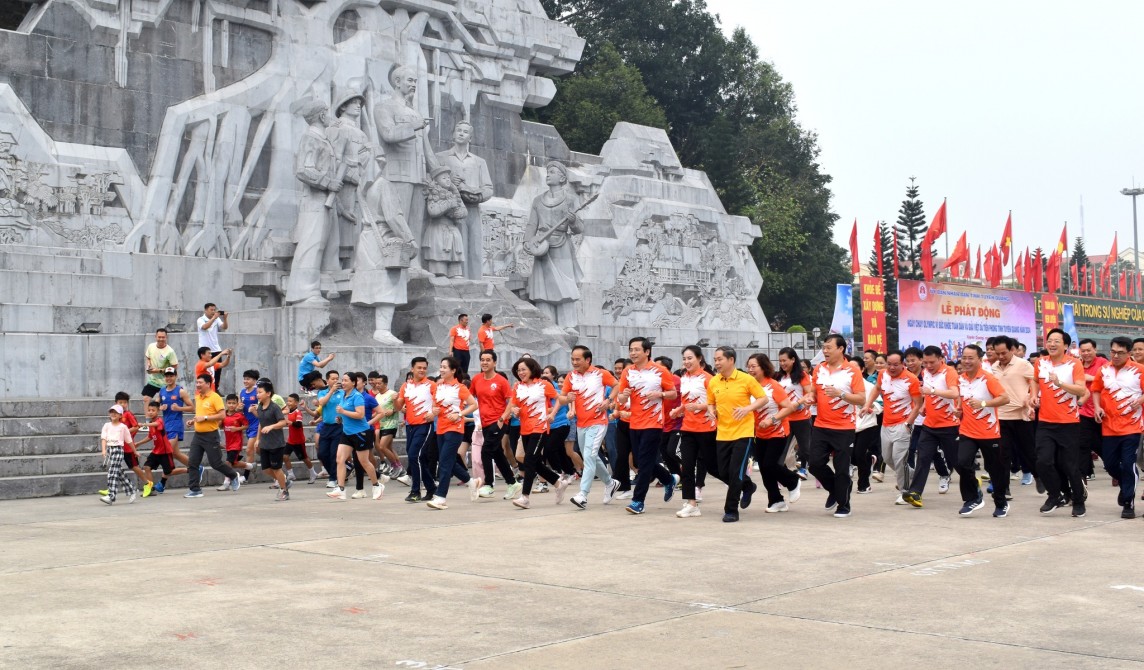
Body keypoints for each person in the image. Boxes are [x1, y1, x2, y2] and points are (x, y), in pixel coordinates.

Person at [614, 337, 679, 515]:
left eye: (636, 350)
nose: (633, 353)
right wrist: (623, 395)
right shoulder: (627, 372)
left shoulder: (660, 371)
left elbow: (673, 394)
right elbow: (620, 398)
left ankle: (638, 501)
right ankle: (669, 479)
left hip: (654, 422)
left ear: (647, 351)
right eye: (631, 350)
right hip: (635, 422)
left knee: (644, 464)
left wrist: (660, 394)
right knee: (641, 461)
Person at [705, 346, 769, 522]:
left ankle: (731, 510)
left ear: (731, 360)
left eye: (720, 359)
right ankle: (748, 486)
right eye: (715, 359)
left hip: (743, 432)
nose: (716, 363)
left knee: (735, 472)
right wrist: (711, 411)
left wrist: (747, 408)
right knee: (723, 471)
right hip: (723, 433)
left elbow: (764, 398)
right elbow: (710, 402)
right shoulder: (714, 382)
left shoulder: (746, 379)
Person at [806, 335, 867, 518]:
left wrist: (841, 394)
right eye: (823, 347)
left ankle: (843, 504)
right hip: (821, 425)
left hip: (844, 427)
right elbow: (813, 391)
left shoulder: (852, 371)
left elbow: (861, 398)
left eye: (828, 347)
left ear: (841, 349)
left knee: (841, 468)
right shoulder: (819, 369)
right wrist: (810, 397)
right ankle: (836, 489)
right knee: (815, 464)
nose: (825, 351)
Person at [1033, 329, 1089, 517]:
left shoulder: (1074, 364)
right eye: (1049, 340)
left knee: (1069, 465)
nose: (1052, 344)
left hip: (1068, 422)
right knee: (1043, 462)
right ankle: (1055, 495)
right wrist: (1033, 396)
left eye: (1057, 341)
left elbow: (1081, 390)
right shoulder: (1041, 363)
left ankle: (1078, 501)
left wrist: (1060, 384)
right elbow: (1034, 381)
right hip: (1045, 422)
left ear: (1065, 345)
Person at [523, 161, 583, 330]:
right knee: (542, 289)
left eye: (553, 172)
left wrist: (573, 221)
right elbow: (531, 225)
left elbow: (579, 228)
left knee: (566, 286)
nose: (548, 174)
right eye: (548, 171)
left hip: (562, 246)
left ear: (562, 177)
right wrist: (528, 242)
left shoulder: (571, 200)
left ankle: (568, 325)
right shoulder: (537, 200)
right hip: (542, 247)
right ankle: (546, 324)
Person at [560, 346, 621, 509]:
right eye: (572, 359)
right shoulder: (571, 376)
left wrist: (608, 400)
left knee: (589, 455)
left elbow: (617, 385)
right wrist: (567, 399)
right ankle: (610, 483)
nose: (574, 362)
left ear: (588, 360)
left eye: (577, 359)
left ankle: (583, 495)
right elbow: (561, 397)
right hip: (581, 424)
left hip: (598, 422)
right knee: (592, 456)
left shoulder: (600, 374)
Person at [503, 357, 567, 509]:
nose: (521, 372)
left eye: (524, 369)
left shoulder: (543, 384)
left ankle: (525, 497)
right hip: (525, 428)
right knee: (534, 462)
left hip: (540, 427)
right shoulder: (518, 386)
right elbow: (514, 406)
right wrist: (514, 411)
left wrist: (552, 414)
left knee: (530, 460)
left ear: (532, 369)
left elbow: (559, 399)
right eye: (518, 370)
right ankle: (558, 482)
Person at [901, 345, 961, 508]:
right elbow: (927, 394)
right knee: (923, 458)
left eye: (931, 362)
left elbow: (955, 393)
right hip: (929, 425)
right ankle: (915, 493)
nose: (927, 366)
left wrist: (932, 391)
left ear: (940, 359)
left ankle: (971, 482)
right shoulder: (926, 372)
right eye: (925, 362)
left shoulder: (949, 372)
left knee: (956, 461)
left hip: (949, 425)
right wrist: (924, 407)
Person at [1091, 336, 1144, 518]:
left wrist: (1140, 400)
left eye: (1120, 353)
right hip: (1108, 426)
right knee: (1111, 464)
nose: (1115, 356)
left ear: (1129, 354)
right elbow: (1096, 390)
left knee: (1128, 464)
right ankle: (1126, 483)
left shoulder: (1139, 370)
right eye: (1113, 352)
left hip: (1132, 426)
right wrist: (1097, 407)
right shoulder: (1104, 369)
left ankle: (1128, 502)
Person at [955, 345, 1011, 517]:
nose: (966, 361)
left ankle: (1001, 503)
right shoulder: (960, 379)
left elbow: (1005, 398)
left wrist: (983, 404)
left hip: (989, 432)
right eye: (964, 357)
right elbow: (963, 402)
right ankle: (972, 498)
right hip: (967, 431)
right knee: (962, 464)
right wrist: (959, 411)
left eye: (971, 358)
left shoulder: (988, 379)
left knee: (995, 470)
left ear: (980, 360)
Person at [862, 351, 922, 504]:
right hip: (886, 424)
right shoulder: (883, 374)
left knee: (899, 459)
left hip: (903, 424)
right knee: (888, 458)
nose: (892, 367)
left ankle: (905, 492)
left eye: (896, 364)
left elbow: (918, 405)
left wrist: (909, 423)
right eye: (889, 364)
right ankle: (914, 476)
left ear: (903, 364)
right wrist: (867, 405)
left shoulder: (911, 380)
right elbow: (877, 388)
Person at [437, 120, 494, 280]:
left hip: (473, 209)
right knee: (455, 246)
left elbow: (489, 188)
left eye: (465, 131)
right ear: (453, 134)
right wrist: (448, 183)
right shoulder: (441, 158)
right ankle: (453, 278)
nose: (461, 133)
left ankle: (475, 282)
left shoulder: (479, 162)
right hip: (450, 211)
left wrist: (478, 196)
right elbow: (432, 182)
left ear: (470, 137)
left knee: (474, 248)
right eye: (458, 130)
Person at [747, 353, 802, 514]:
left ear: (763, 367)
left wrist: (772, 419)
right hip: (760, 433)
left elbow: (788, 407)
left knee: (770, 465)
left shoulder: (773, 386)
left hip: (778, 431)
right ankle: (776, 500)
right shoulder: (749, 387)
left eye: (753, 366)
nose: (750, 370)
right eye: (748, 366)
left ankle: (793, 481)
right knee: (764, 468)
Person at [425, 357, 479, 509]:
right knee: (447, 461)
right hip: (440, 428)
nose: (441, 370)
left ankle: (441, 497)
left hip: (455, 429)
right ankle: (471, 482)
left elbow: (474, 405)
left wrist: (460, 414)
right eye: (440, 367)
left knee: (444, 462)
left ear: (453, 370)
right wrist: (433, 412)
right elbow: (436, 407)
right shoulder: (438, 386)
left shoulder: (460, 388)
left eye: (444, 367)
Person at [672, 345, 716, 518]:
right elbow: (686, 401)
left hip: (706, 427)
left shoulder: (709, 379)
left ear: (699, 359)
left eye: (690, 358)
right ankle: (691, 503)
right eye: (684, 359)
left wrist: (699, 406)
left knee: (714, 466)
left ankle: (743, 485)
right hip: (688, 428)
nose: (686, 362)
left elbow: (717, 402)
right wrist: (679, 410)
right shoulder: (684, 378)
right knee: (687, 466)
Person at [470, 350, 521, 500]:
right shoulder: (477, 379)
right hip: (485, 422)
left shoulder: (501, 381)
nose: (484, 362)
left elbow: (512, 399)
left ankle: (489, 485)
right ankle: (512, 483)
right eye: (482, 360)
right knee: (497, 453)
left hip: (498, 422)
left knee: (486, 451)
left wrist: (503, 417)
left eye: (488, 360)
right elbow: (469, 396)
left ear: (494, 363)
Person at [327, 373, 385, 501]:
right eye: (342, 380)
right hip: (347, 432)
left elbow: (360, 415)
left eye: (346, 380)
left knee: (364, 462)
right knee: (339, 459)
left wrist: (343, 412)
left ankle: (377, 485)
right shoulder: (343, 395)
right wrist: (340, 418)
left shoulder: (357, 396)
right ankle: (341, 489)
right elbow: (345, 413)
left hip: (360, 433)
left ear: (353, 383)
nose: (343, 382)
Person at [184, 373, 242, 497]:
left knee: (216, 463)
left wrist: (204, 418)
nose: (197, 385)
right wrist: (193, 421)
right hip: (198, 435)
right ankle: (195, 490)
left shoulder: (215, 397)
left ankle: (233, 475)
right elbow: (200, 414)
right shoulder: (198, 397)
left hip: (211, 435)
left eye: (200, 382)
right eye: (197, 382)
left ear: (208, 384)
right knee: (192, 462)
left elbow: (222, 415)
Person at [993, 336, 1039, 491]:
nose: (1000, 356)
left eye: (1004, 353)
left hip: (1021, 416)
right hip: (1001, 416)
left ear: (1012, 350)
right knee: (1003, 454)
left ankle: (1039, 476)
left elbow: (1034, 381)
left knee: (1028, 452)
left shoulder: (1023, 364)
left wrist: (1032, 396)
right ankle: (1004, 487)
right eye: (997, 353)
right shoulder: (994, 368)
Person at [395, 357, 436, 502]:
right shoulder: (405, 386)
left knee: (414, 456)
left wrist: (433, 413)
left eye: (424, 368)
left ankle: (415, 491)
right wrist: (396, 400)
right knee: (419, 459)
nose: (422, 370)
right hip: (410, 426)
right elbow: (399, 408)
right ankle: (431, 489)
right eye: (419, 368)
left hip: (425, 425)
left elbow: (440, 403)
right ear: (412, 369)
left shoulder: (431, 385)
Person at [134, 401, 187, 494]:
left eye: (153, 410)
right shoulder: (151, 423)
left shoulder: (159, 421)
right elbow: (150, 437)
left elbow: (156, 425)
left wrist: (145, 424)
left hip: (165, 452)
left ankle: (190, 470)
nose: (150, 412)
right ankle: (151, 489)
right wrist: (139, 443)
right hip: (156, 451)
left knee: (169, 472)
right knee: (146, 467)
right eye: (149, 410)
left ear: (158, 411)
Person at [777, 347, 813, 479]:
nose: (782, 363)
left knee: (806, 449)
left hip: (801, 418)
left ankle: (820, 471)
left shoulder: (801, 375)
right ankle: (780, 477)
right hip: (785, 418)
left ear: (793, 360)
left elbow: (810, 393)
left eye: (785, 360)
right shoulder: (779, 376)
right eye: (780, 361)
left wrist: (802, 403)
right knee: (781, 449)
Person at [367, 374, 409, 484]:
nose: (377, 385)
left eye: (379, 383)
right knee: (389, 448)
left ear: (385, 383)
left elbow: (399, 407)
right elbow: (377, 411)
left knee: (382, 446)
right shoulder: (377, 397)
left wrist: (393, 411)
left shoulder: (392, 394)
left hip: (391, 424)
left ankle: (396, 466)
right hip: (382, 424)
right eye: (376, 384)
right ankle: (402, 471)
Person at [253, 381, 291, 501]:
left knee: (276, 468)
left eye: (260, 392)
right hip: (265, 443)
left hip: (276, 443)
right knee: (266, 469)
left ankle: (284, 490)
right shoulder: (260, 407)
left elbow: (283, 422)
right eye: (257, 392)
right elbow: (261, 423)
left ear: (268, 393)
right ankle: (284, 480)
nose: (258, 395)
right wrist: (258, 439)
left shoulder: (274, 407)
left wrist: (271, 427)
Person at [1078, 339, 1109, 480]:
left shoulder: (1102, 363)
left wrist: (1089, 378)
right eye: (1083, 351)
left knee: (1102, 445)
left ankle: (1114, 468)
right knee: (1083, 444)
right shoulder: (1077, 365)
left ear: (1094, 350)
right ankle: (1083, 477)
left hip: (1102, 411)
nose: (1086, 353)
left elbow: (1107, 379)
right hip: (1083, 411)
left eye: (1089, 350)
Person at [99, 405, 137, 505]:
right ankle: (132, 490)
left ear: (120, 415)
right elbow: (104, 438)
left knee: (112, 472)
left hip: (118, 450)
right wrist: (104, 450)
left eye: (115, 412)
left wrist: (135, 451)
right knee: (118, 472)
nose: (113, 414)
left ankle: (111, 496)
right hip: (110, 450)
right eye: (111, 412)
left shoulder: (123, 427)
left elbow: (129, 441)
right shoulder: (107, 425)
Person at [156, 368, 193, 472]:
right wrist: (159, 408)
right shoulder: (162, 390)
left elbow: (192, 407)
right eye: (167, 376)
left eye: (171, 376)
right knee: (175, 453)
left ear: (176, 376)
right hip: (166, 424)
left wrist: (179, 408)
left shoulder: (180, 391)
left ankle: (163, 480)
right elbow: (154, 405)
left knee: (167, 450)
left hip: (176, 424)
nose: (169, 378)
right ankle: (197, 468)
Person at [314, 370, 344, 489]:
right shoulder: (323, 392)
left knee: (333, 453)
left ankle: (333, 478)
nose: (336, 380)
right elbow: (322, 403)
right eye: (333, 378)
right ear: (327, 381)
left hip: (339, 427)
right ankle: (335, 473)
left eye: (337, 378)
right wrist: (331, 391)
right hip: (326, 426)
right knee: (322, 453)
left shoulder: (342, 393)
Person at [282, 393, 319, 484]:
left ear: (296, 403)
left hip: (298, 441)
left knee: (304, 458)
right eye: (288, 401)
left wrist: (289, 422)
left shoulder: (297, 412)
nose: (288, 403)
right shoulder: (289, 411)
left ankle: (313, 473)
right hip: (291, 440)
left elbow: (299, 424)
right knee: (285, 456)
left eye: (291, 401)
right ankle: (291, 474)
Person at [219, 394, 253, 491]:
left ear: (237, 404)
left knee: (228, 463)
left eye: (233, 403)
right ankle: (249, 466)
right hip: (228, 443)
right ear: (226, 404)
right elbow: (221, 426)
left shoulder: (239, 416)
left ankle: (226, 482)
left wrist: (237, 428)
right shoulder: (223, 415)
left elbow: (246, 426)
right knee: (233, 463)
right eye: (229, 403)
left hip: (236, 443)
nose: (231, 405)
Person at [143, 328, 178, 409]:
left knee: (164, 402)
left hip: (166, 381)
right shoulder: (151, 346)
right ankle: (148, 420)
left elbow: (174, 367)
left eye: (163, 337)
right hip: (153, 380)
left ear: (166, 337)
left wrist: (158, 371)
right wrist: (149, 364)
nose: (161, 339)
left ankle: (160, 419)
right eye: (159, 337)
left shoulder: (170, 351)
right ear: (155, 337)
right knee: (146, 399)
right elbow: (148, 357)